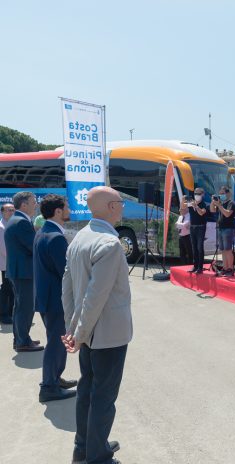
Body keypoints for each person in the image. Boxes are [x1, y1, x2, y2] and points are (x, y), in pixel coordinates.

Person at [61, 186, 130, 464]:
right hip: (106, 334)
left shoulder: (79, 237)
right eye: (121, 202)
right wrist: (78, 333)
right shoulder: (109, 243)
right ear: (111, 207)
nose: (123, 206)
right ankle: (97, 456)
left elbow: (67, 287)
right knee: (103, 397)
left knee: (88, 391)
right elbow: (95, 296)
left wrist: (72, 329)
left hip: (87, 333)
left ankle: (86, 447)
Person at [33, 194, 78, 402]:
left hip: (46, 297)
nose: (69, 209)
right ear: (58, 211)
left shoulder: (44, 232)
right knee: (56, 342)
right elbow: (66, 273)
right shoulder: (56, 237)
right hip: (56, 300)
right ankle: (48, 387)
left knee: (57, 340)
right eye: (67, 206)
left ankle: (55, 378)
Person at [5, 191, 43, 352]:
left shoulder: (17, 220)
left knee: (20, 307)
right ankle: (22, 342)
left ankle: (21, 339)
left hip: (19, 272)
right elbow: (34, 247)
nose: (36, 204)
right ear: (24, 204)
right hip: (23, 273)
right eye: (33, 201)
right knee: (25, 308)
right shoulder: (21, 222)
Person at [210, 186, 235, 277]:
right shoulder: (220, 203)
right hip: (220, 228)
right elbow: (212, 210)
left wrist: (219, 205)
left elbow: (227, 214)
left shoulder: (231, 203)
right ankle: (225, 268)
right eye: (220, 194)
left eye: (223, 193)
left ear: (228, 193)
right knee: (223, 250)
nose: (221, 195)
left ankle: (230, 269)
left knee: (228, 249)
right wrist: (213, 202)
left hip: (228, 229)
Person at [0, 203, 15, 325]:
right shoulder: (1, 227)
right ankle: (4, 314)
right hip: (6, 263)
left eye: (13, 210)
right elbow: (3, 248)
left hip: (12, 262)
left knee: (11, 289)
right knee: (6, 289)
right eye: (8, 210)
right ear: (2, 212)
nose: (11, 212)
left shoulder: (11, 224)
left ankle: (10, 313)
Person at [188, 187, 209, 274]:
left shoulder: (203, 204)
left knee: (199, 247)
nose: (197, 195)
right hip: (192, 227)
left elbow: (201, 213)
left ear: (202, 195)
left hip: (201, 227)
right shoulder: (191, 203)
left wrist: (196, 206)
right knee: (194, 247)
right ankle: (195, 265)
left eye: (199, 194)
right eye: (195, 193)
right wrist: (183, 202)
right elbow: (183, 210)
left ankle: (200, 267)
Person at [176, 201, 193, 266]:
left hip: (187, 236)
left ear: (186, 209)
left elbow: (184, 225)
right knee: (182, 253)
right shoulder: (180, 217)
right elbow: (177, 225)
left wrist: (179, 224)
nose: (179, 210)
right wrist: (180, 225)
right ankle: (183, 266)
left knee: (189, 252)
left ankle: (190, 265)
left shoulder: (189, 216)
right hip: (181, 236)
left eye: (181, 208)